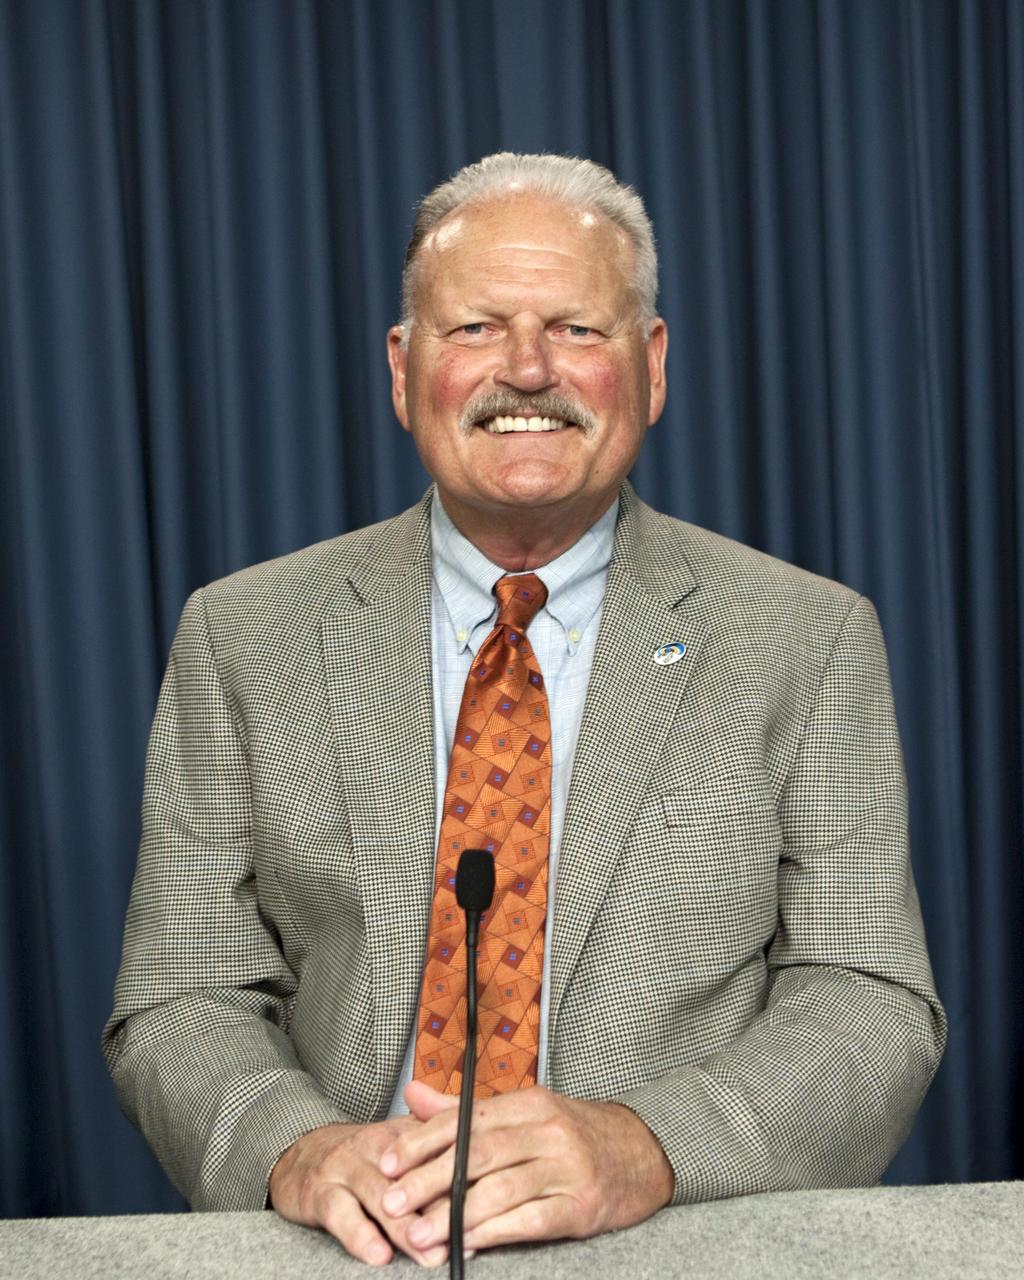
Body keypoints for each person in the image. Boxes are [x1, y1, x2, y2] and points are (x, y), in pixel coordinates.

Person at [103, 153, 945, 1269]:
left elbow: (870, 995)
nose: (528, 369)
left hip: (682, 1238)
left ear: (650, 367)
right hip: (359, 1247)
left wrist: (649, 1144)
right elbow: (180, 990)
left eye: (577, 331)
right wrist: (294, 1147)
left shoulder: (807, 636)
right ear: (403, 372)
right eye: (475, 330)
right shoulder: (243, 634)